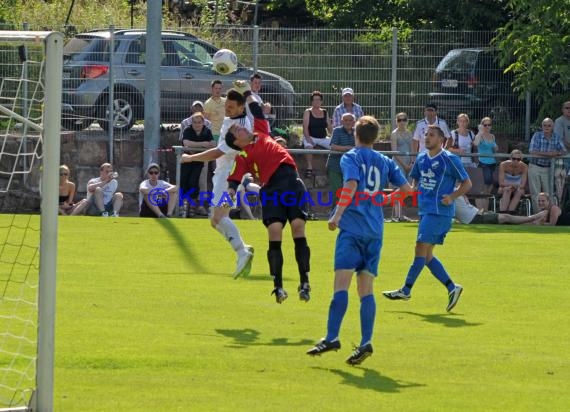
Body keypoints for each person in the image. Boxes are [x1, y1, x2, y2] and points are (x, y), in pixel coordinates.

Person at [306, 115, 412, 365]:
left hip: (352, 228)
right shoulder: (385, 160)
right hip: (375, 231)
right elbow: (407, 191)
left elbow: (351, 184)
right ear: (376, 138)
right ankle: (366, 342)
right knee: (366, 290)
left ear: (355, 134)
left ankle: (332, 337)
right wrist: (384, 200)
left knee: (341, 285)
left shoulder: (351, 157)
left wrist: (337, 214)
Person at [225, 80, 311, 304]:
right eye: (237, 129)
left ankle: (304, 281)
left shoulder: (261, 131)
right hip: (271, 188)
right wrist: (229, 195)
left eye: (239, 126)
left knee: (298, 227)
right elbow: (234, 179)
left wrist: (246, 91)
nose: (241, 127)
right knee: (275, 232)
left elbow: (255, 108)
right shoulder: (242, 156)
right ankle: (279, 286)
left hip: (290, 180)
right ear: (236, 141)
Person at [383, 124, 472, 312]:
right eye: (426, 134)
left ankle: (406, 289)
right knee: (427, 255)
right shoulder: (422, 157)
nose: (427, 138)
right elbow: (415, 180)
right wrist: (410, 189)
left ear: (441, 140)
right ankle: (451, 287)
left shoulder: (450, 159)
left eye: (431, 135)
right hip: (425, 210)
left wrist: (452, 197)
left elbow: (467, 183)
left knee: (420, 248)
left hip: (439, 212)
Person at [180, 89, 254, 278]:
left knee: (219, 217)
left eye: (231, 107)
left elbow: (217, 153)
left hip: (229, 174)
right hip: (222, 173)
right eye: (226, 106)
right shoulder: (233, 119)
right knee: (214, 220)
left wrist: (191, 158)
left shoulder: (239, 129)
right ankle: (242, 248)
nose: (227, 110)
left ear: (241, 107)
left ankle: (242, 252)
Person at [181, 112, 216, 217]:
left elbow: (213, 144)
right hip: (188, 160)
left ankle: (195, 207)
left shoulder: (207, 130)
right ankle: (184, 207)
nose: (197, 124)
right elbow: (186, 143)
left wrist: (196, 146)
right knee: (184, 182)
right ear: (192, 123)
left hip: (200, 161)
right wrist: (203, 144)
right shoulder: (187, 129)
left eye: (199, 122)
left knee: (197, 182)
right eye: (195, 122)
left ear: (203, 122)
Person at [528, 118, 567, 212]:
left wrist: (542, 153)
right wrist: (552, 154)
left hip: (548, 168)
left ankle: (548, 216)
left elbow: (564, 151)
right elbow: (532, 152)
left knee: (548, 193)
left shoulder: (556, 137)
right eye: (545, 125)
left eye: (549, 125)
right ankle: (538, 217)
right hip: (535, 166)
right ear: (542, 126)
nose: (547, 127)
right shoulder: (536, 135)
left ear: (552, 127)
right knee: (535, 193)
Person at [454, 194, 546, 224]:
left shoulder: (455, 190)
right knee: (505, 217)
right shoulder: (446, 194)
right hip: (474, 219)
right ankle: (534, 217)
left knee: (507, 220)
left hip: (478, 213)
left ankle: (533, 222)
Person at [302, 91, 333, 178]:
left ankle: (331, 167)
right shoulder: (307, 112)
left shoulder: (325, 112)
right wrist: (308, 139)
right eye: (315, 100)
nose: (317, 102)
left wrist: (335, 138)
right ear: (311, 101)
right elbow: (305, 127)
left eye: (319, 100)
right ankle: (309, 167)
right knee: (309, 147)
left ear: (321, 101)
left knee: (335, 146)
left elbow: (329, 127)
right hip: (310, 136)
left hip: (323, 138)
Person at [326, 112, 355, 203]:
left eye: (350, 120)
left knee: (349, 192)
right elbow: (333, 146)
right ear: (342, 121)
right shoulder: (337, 130)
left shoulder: (357, 132)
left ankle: (346, 215)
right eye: (346, 120)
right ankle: (335, 214)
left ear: (354, 122)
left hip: (349, 167)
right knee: (338, 192)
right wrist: (348, 148)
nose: (348, 122)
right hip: (335, 166)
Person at [390, 112, 414, 221]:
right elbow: (394, 151)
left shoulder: (409, 133)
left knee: (406, 188)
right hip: (398, 162)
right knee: (397, 187)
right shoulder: (394, 134)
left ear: (407, 121)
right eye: (399, 120)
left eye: (404, 119)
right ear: (396, 121)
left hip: (409, 162)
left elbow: (412, 149)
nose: (402, 122)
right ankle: (397, 215)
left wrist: (412, 162)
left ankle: (400, 214)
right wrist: (404, 165)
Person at [473, 117, 499, 210]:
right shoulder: (480, 135)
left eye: (489, 125)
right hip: (483, 163)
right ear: (481, 125)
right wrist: (480, 131)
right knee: (482, 188)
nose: (487, 126)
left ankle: (485, 211)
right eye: (485, 125)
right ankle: (480, 210)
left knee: (489, 189)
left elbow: (496, 148)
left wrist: (495, 147)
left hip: (492, 163)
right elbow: (475, 144)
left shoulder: (492, 136)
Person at [554, 100, 570, 173]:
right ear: (562, 110)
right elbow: (559, 139)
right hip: (564, 155)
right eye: (567, 108)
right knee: (562, 179)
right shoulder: (559, 121)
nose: (569, 109)